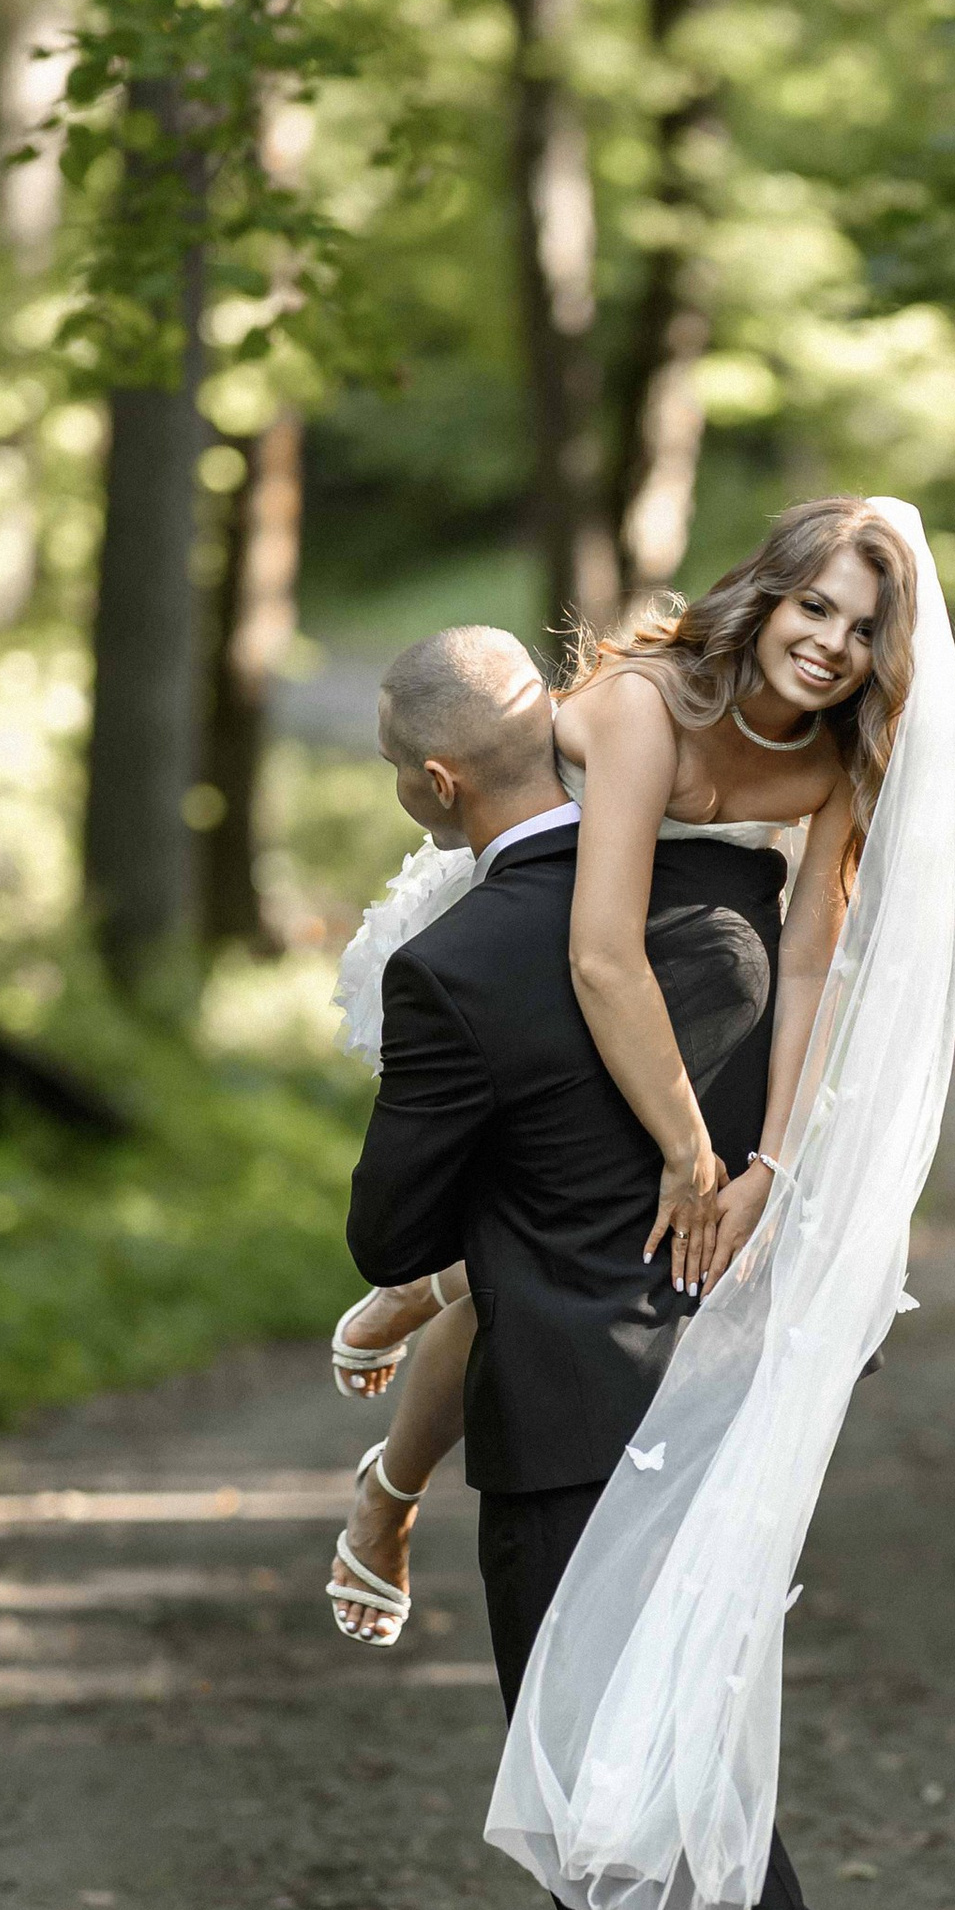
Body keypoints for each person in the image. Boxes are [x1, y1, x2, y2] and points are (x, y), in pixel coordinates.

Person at [342, 605, 886, 1910]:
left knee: (581, 1770)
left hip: (575, 1408)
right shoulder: (729, 890)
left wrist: (433, 1262)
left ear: (438, 783)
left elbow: (393, 1230)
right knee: (678, 1717)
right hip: (734, 1383)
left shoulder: (456, 968)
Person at [325, 500, 907, 1645]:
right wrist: (693, 1158)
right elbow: (596, 949)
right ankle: (393, 1468)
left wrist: (772, 1165)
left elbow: (807, 961)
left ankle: (428, 1308)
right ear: (771, 596)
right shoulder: (655, 706)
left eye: (861, 630)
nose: (833, 646)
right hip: (552, 935)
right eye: (815, 606)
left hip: (676, 956)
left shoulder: (838, 761)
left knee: (630, 1231)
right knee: (559, 1242)